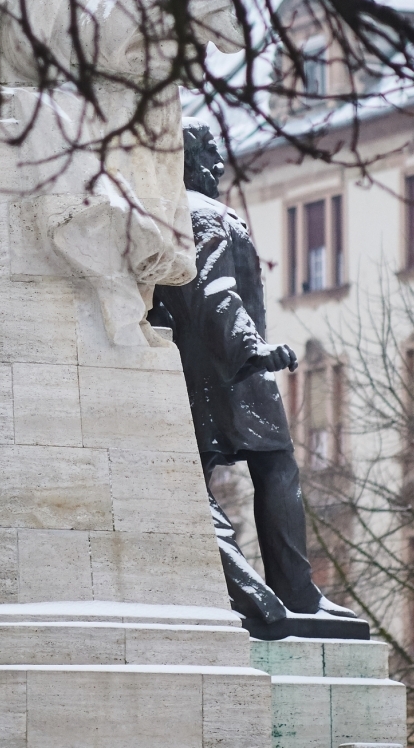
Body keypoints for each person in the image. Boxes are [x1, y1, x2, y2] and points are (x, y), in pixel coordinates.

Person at [149, 120, 356, 625]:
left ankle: (257, 587)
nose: (218, 165)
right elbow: (217, 294)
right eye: (209, 156)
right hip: (227, 370)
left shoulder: (166, 216)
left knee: (203, 477)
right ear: (186, 161)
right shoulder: (206, 216)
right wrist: (253, 350)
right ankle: (292, 591)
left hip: (193, 370)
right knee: (277, 469)